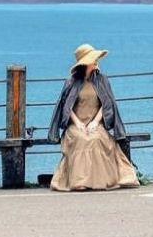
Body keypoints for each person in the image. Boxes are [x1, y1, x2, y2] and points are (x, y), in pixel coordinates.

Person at [47, 43, 140, 191]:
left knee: (97, 139)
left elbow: (107, 103)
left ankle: (103, 180)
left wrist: (96, 122)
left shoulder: (102, 80)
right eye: (93, 59)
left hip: (95, 124)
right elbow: (66, 106)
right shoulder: (71, 82)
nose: (96, 61)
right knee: (82, 139)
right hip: (75, 125)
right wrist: (77, 123)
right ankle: (80, 182)